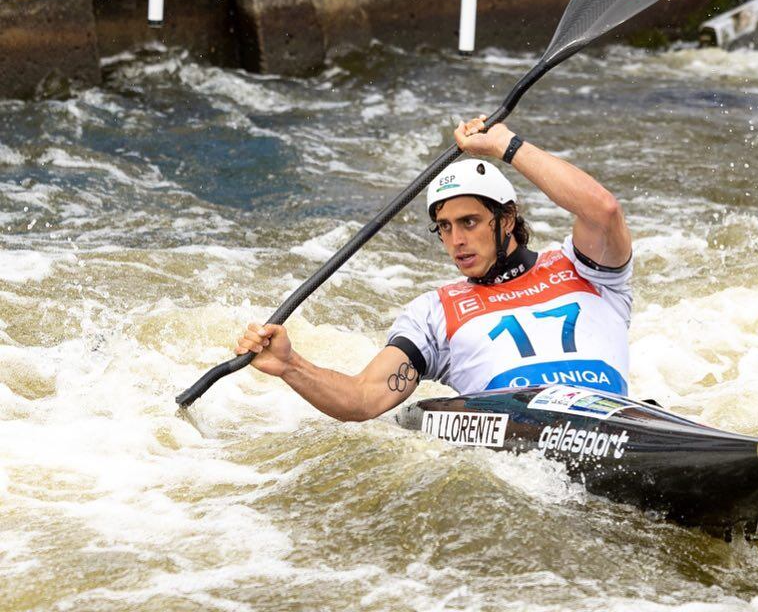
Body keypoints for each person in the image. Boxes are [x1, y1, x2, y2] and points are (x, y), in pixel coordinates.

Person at [235, 115, 633, 421]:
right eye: (444, 227)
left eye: (470, 222)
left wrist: (504, 146)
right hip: (519, 433)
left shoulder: (585, 270)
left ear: (507, 220)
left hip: (616, 420)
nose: (456, 239)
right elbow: (364, 398)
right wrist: (291, 366)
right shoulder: (435, 313)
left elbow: (604, 209)